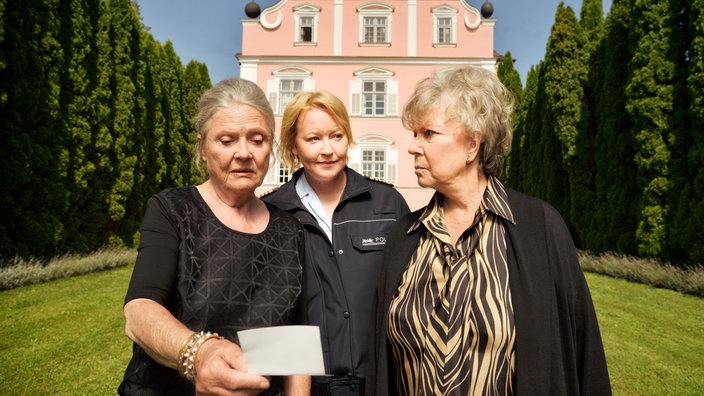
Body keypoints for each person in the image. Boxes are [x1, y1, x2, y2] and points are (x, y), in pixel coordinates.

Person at [366, 66, 611, 395]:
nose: (413, 147)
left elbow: (584, 354)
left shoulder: (540, 227)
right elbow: (383, 369)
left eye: (429, 134)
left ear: (472, 145)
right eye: (414, 135)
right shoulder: (404, 237)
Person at [118, 78, 310, 396]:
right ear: (203, 148)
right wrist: (199, 352)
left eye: (257, 140)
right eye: (226, 140)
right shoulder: (173, 209)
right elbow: (139, 311)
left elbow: (294, 340)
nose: (244, 153)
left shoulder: (289, 230)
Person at [261, 90, 410, 395]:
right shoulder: (271, 213)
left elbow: (412, 295)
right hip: (305, 387)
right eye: (313, 139)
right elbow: (266, 311)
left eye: (337, 136)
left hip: (381, 384)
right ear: (294, 146)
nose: (328, 150)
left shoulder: (387, 203)